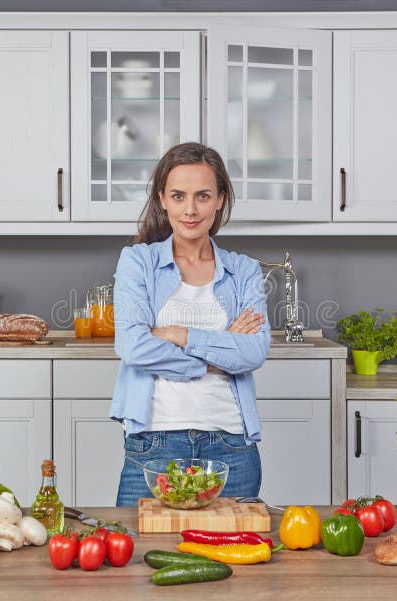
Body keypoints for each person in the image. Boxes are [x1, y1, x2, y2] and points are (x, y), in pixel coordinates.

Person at [110, 142, 271, 506]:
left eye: (203, 196)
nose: (191, 209)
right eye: (179, 196)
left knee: (231, 557)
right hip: (154, 440)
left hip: (231, 442)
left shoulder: (243, 270)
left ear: (220, 199)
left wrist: (179, 334)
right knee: (137, 556)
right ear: (162, 199)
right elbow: (133, 346)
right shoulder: (139, 262)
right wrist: (218, 352)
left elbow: (255, 351)